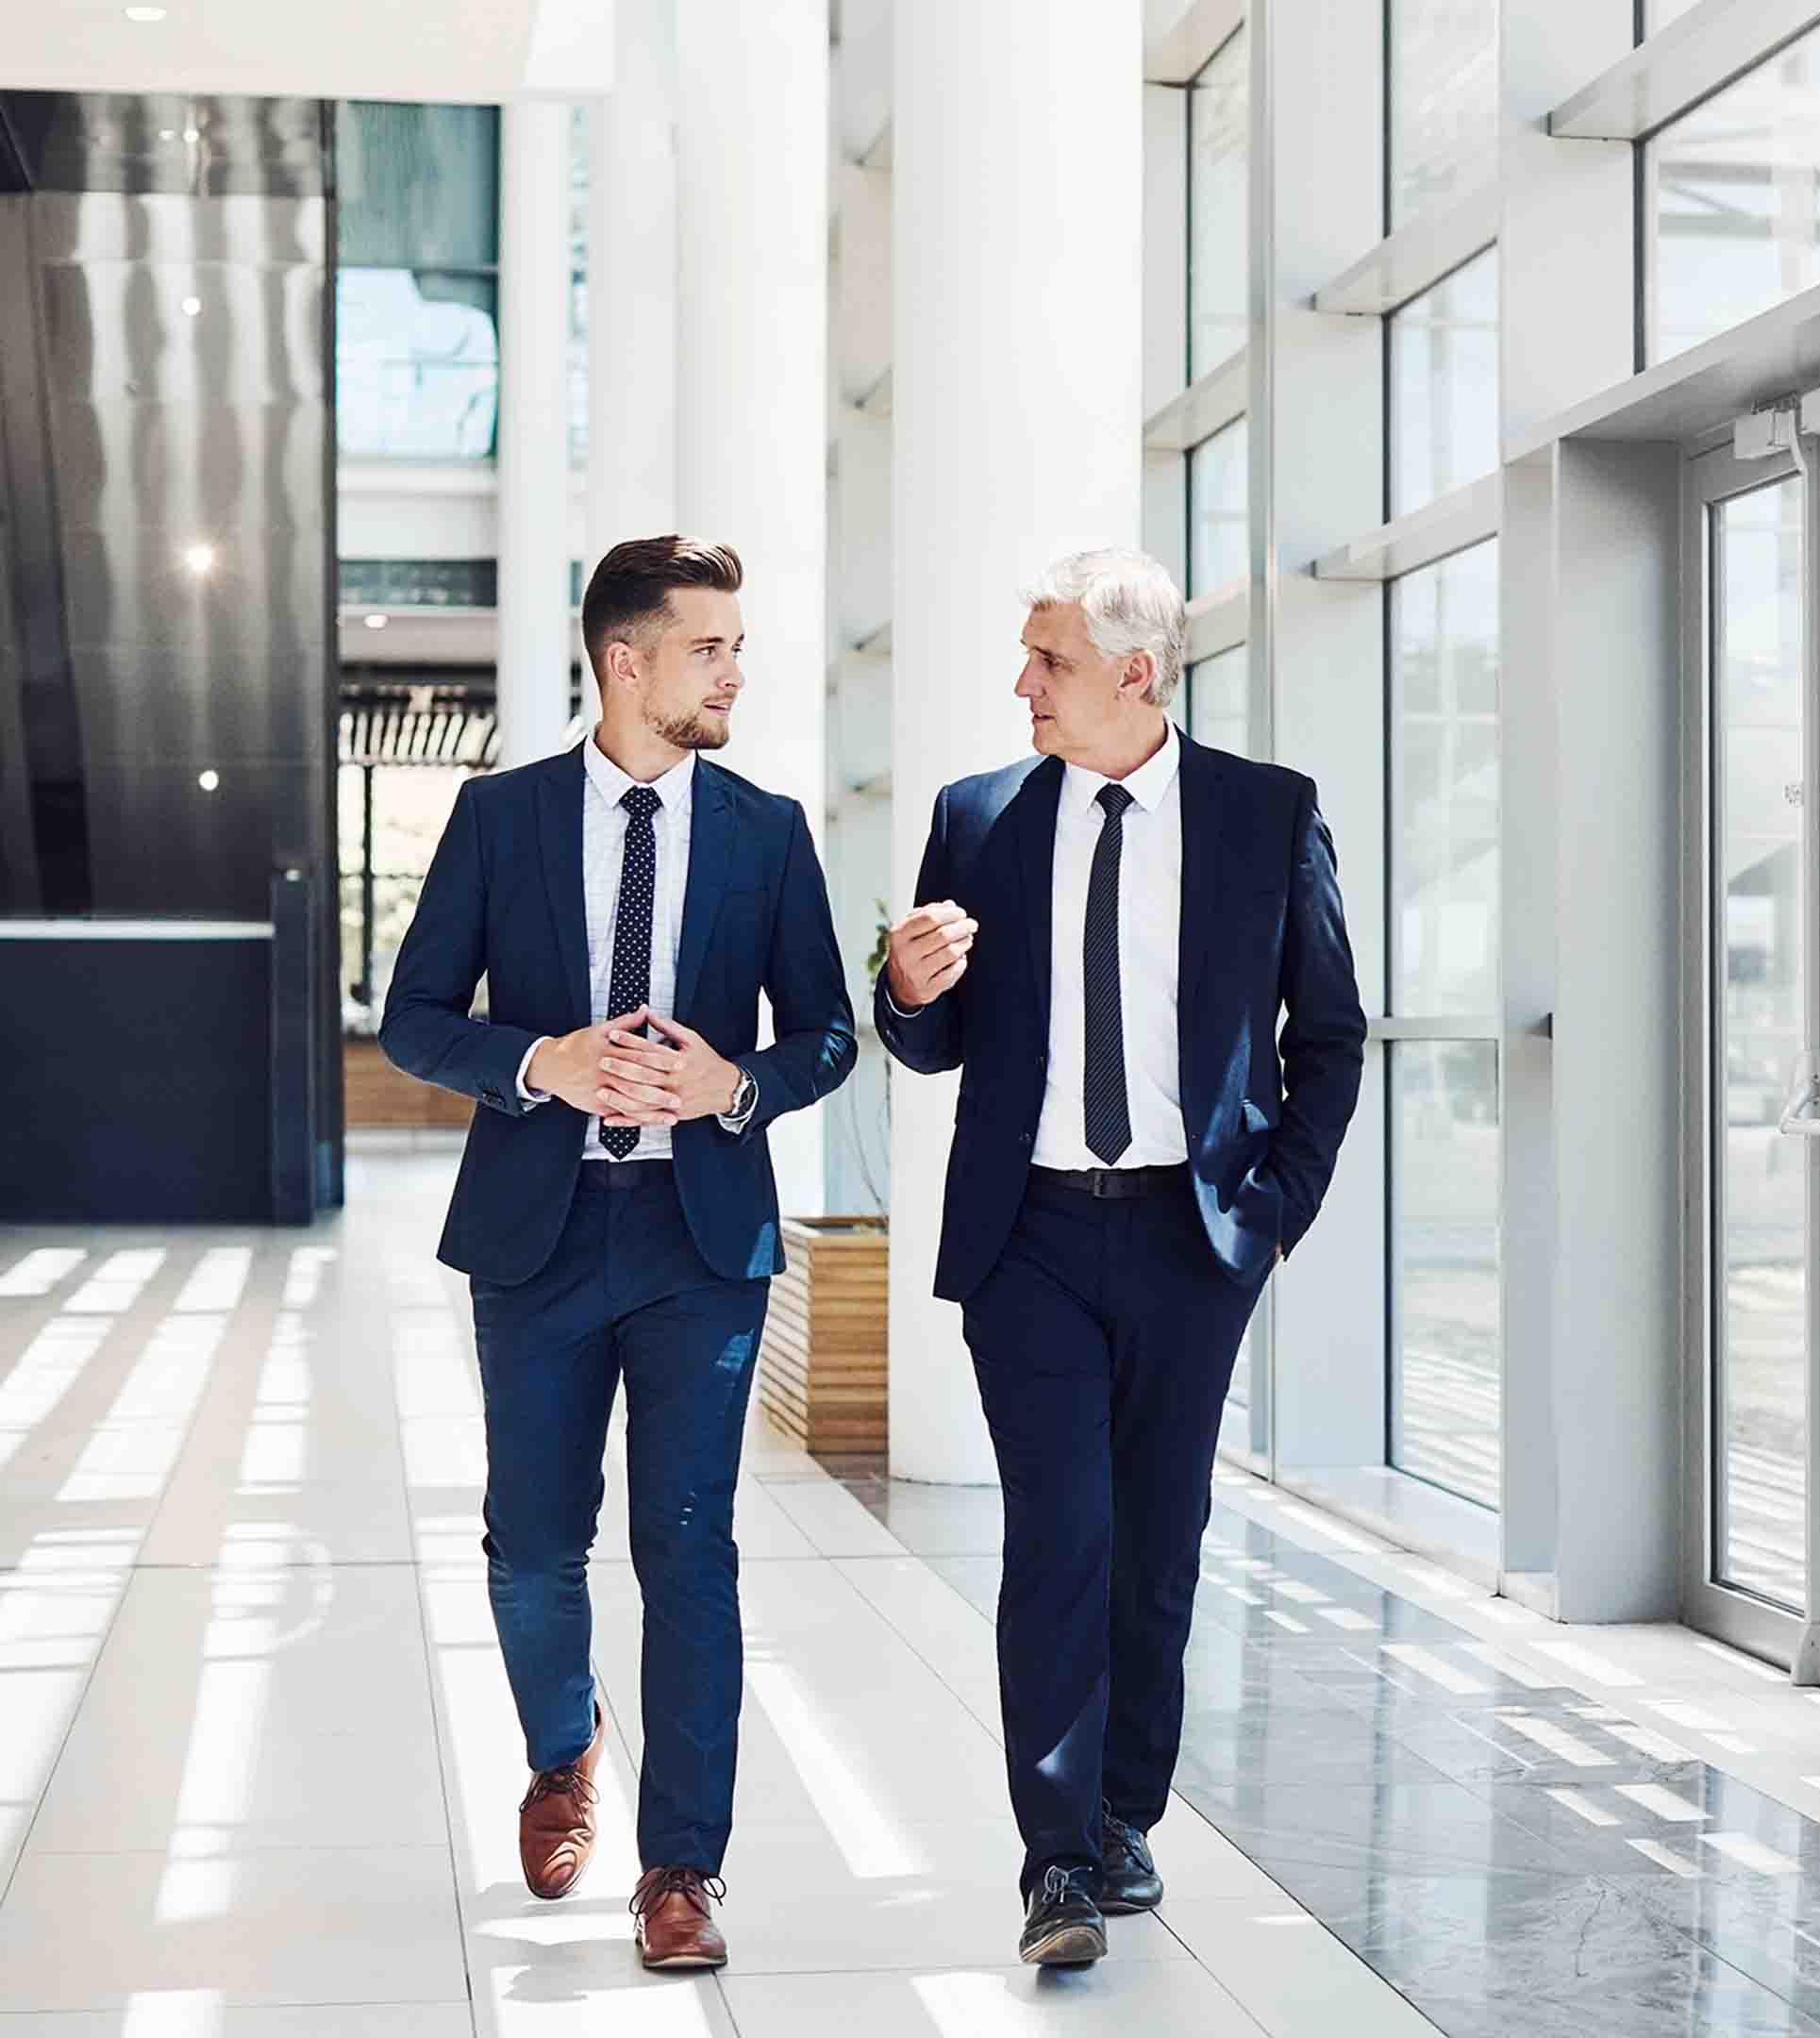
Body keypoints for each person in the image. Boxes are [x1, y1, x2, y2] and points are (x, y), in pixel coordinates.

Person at [877, 547, 1365, 1966]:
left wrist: (1269, 1216)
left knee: (1160, 1542)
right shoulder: (977, 819)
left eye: (1049, 662)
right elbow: (933, 1037)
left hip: (1189, 1235)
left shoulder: (1265, 817)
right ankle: (1058, 1860)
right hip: (1025, 1233)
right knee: (1060, 1535)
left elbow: (1326, 1038)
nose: (1022, 685)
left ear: (1134, 675)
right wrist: (903, 991)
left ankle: (1125, 1815)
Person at [381, 535, 856, 1971]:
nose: (735, 670)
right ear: (625, 661)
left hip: (701, 1240)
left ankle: (682, 1870)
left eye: (736, 645)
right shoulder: (499, 816)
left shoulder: (769, 830)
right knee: (534, 1547)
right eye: (710, 646)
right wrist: (540, 1060)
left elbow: (826, 1030)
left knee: (691, 1546)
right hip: (539, 1234)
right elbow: (412, 1015)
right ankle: (562, 1743)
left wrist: (737, 1087)